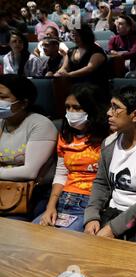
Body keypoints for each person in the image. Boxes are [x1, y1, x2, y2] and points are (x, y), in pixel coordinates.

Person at [84, 85, 136, 241]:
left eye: (116, 108)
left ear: (135, 115)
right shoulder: (109, 143)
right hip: (111, 213)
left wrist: (114, 229)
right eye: (111, 106)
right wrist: (92, 216)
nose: (109, 113)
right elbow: (101, 183)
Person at [33, 84, 109, 231]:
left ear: (93, 109)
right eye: (67, 107)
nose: (71, 112)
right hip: (63, 199)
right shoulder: (65, 136)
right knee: (34, 236)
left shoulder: (109, 137)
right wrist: (50, 207)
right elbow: (61, 173)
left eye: (77, 108)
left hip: (89, 204)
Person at [0, 75, 57, 221]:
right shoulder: (1, 122)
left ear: (23, 103)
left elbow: (30, 172)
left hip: (30, 195)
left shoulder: (39, 124)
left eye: (3, 97)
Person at [54, 24, 109, 92]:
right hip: (74, 85)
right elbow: (65, 68)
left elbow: (89, 69)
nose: (75, 38)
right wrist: (58, 74)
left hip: (93, 86)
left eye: (78, 35)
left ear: (85, 35)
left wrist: (69, 75)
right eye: (73, 35)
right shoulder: (71, 51)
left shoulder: (96, 51)